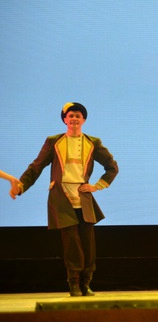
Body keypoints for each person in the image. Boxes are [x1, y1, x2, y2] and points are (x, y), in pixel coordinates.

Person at [10, 102, 119, 296]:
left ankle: (86, 283)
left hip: (83, 197)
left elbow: (112, 167)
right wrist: (21, 186)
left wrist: (97, 186)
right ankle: (74, 283)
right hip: (62, 197)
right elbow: (36, 167)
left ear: (83, 120)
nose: (74, 118)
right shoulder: (54, 141)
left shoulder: (93, 142)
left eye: (78, 115)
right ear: (65, 120)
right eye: (71, 116)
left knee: (88, 243)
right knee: (72, 242)